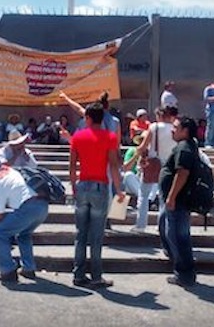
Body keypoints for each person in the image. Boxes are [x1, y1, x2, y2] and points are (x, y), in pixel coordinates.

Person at [69, 101, 124, 288]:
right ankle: (96, 276)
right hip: (100, 186)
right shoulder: (109, 137)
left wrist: (73, 185)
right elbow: (114, 166)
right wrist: (119, 190)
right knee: (96, 236)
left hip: (82, 184)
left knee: (80, 234)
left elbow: (72, 165)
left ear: (88, 118)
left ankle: (78, 274)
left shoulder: (77, 137)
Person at [0, 153, 49, 283]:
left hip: (28, 208)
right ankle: (28, 269)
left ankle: (8, 271)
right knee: (24, 234)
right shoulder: (11, 171)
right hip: (42, 207)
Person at [157, 117, 201, 287]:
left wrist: (171, 197)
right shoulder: (186, 146)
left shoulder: (184, 148)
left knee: (177, 236)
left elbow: (182, 173)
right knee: (173, 232)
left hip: (178, 201)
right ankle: (182, 269)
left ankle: (184, 273)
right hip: (178, 201)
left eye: (176, 127)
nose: (172, 130)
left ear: (185, 131)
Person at [130, 107, 177, 232]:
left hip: (152, 164)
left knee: (144, 195)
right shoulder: (175, 128)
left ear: (159, 115)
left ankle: (140, 225)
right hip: (168, 165)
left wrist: (138, 156)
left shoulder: (154, 127)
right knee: (163, 197)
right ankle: (161, 226)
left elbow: (142, 146)